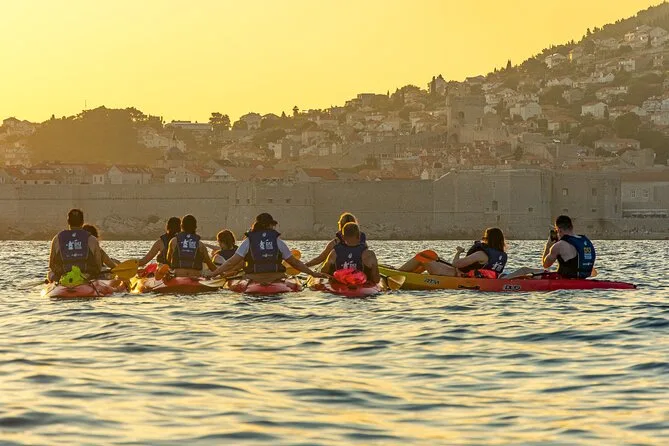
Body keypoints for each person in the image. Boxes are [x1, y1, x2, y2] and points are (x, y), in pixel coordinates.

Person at [210, 212, 326, 281]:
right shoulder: (277, 241)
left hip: (254, 279)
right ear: (269, 225)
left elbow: (231, 262)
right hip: (277, 278)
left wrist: (213, 274)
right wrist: (312, 274)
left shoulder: (248, 241)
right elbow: (294, 262)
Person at [398, 227, 508, 278]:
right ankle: (411, 275)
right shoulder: (501, 255)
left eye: (485, 237)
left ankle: (399, 273)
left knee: (424, 256)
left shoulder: (481, 254)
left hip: (454, 275)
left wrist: (458, 252)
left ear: (489, 239)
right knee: (433, 258)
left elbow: (456, 264)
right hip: (470, 276)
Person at [48, 209, 103, 282]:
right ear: (82, 222)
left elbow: (51, 265)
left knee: (50, 273)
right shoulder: (92, 239)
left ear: (68, 222)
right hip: (86, 277)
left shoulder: (57, 238)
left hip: (64, 277)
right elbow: (98, 266)